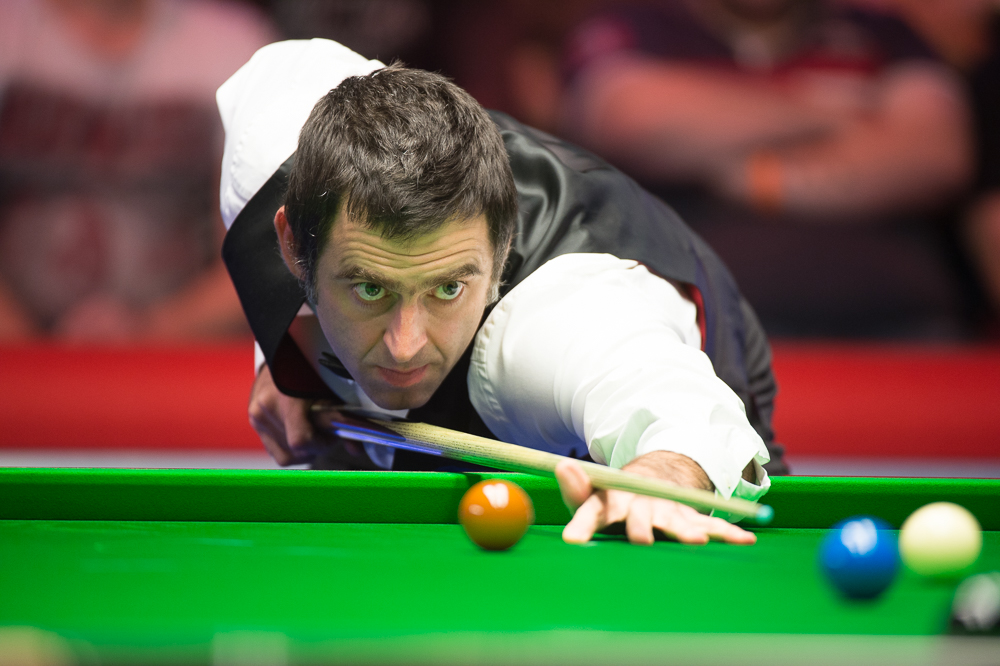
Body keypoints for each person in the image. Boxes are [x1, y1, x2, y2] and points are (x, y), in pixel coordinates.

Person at [218, 39, 782, 546]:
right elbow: (284, 65)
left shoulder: (555, 322)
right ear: (292, 247)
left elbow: (674, 404)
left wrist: (666, 473)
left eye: (447, 289)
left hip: (701, 346)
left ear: (499, 252)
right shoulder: (272, 143)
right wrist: (285, 351)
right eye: (369, 289)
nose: (405, 347)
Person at [560, 0, 975, 337]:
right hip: (685, 335)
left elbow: (935, 154)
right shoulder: (633, 25)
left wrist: (760, 176)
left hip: (900, 331)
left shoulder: (885, 33)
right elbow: (634, 120)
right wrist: (844, 113)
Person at [0, 0, 275, 341]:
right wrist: (31, 350)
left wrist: (151, 332)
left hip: (178, 355)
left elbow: (264, 260)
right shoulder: (9, 30)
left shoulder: (233, 46)